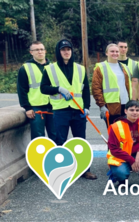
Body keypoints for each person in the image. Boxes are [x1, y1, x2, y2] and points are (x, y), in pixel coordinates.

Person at [40, 39, 97, 180]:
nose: (66, 52)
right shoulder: (50, 69)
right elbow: (43, 88)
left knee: (80, 141)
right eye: (63, 50)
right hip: (61, 111)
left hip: (78, 110)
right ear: (58, 52)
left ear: (71, 51)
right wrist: (57, 89)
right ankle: (60, 172)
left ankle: (85, 170)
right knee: (60, 140)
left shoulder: (80, 68)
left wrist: (87, 107)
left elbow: (85, 91)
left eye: (68, 49)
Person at [17, 41, 55, 140]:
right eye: (36, 50)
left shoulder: (54, 67)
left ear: (45, 51)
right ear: (31, 52)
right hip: (36, 108)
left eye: (42, 49)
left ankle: (56, 155)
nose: (40, 52)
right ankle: (39, 156)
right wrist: (27, 108)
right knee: (38, 137)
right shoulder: (25, 68)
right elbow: (22, 90)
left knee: (56, 135)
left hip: (54, 105)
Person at [92, 44, 132, 128]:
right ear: (107, 53)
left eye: (117, 51)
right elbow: (96, 88)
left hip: (126, 105)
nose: (115, 53)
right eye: (112, 51)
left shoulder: (124, 67)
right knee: (114, 133)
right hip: (111, 107)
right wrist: (102, 106)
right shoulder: (100, 67)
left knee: (126, 133)